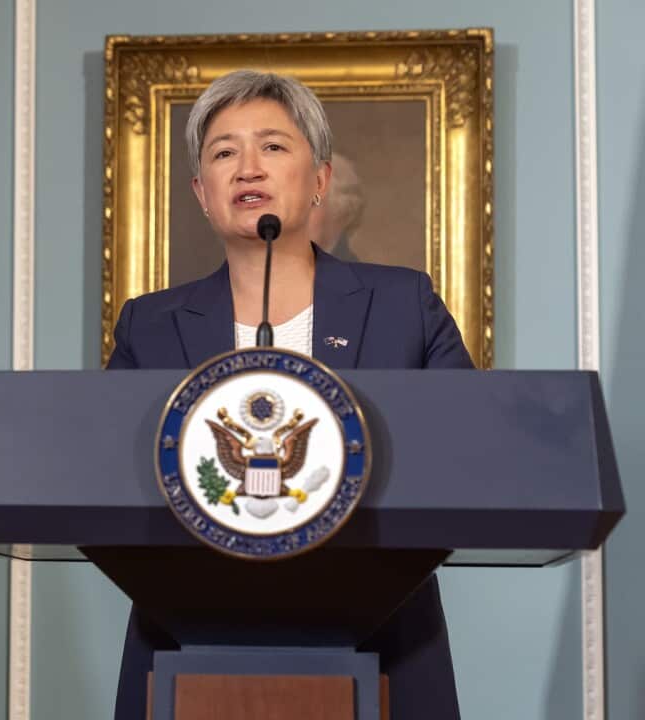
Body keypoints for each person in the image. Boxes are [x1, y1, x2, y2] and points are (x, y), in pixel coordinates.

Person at [107, 70, 472, 720]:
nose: (248, 166)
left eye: (273, 146)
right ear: (201, 193)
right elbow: (106, 479)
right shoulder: (151, 326)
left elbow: (473, 445)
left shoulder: (402, 305)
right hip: (188, 641)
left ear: (320, 180)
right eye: (223, 152)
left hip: (384, 638)